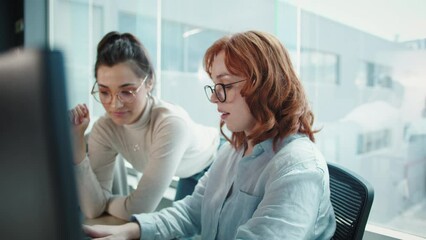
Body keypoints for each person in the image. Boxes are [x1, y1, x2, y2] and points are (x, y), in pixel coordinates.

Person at [83, 30, 336, 239]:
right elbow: (193, 211)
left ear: (265, 84)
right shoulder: (233, 151)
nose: (214, 98)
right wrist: (129, 231)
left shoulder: (297, 167)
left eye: (224, 86)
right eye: (214, 87)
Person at [70, 31, 220, 220]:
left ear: (149, 82)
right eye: (104, 92)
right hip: (184, 169)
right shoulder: (105, 128)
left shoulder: (170, 124)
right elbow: (93, 209)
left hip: (214, 164)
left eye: (127, 92)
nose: (114, 104)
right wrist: (76, 142)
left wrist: (105, 201)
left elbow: (138, 210)